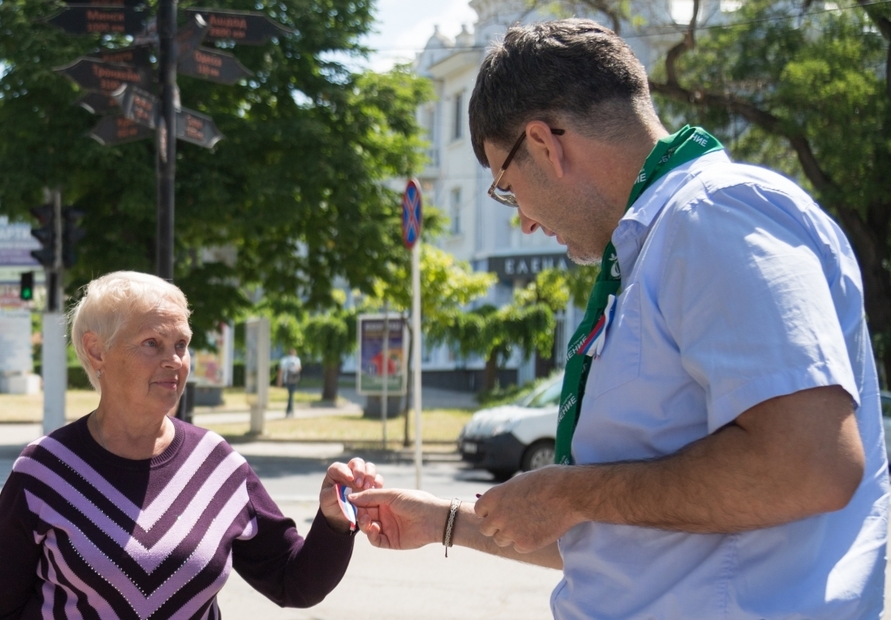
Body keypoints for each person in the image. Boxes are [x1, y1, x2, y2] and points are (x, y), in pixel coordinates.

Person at [350, 18, 889, 620]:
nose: (522, 220)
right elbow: (633, 529)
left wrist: (569, 491)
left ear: (544, 144)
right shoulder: (659, 244)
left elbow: (810, 466)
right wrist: (444, 521)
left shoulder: (714, 214)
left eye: (505, 185)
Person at [0, 271, 381, 619]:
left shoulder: (218, 464)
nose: (175, 361)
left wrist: (333, 521)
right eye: (152, 343)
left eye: (181, 345)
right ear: (98, 351)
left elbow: (294, 583)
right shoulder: (43, 471)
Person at [280, 348, 302, 417]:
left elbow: (281, 370)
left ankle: (289, 410)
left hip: (287, 379)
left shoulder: (285, 360)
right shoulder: (297, 359)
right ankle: (290, 410)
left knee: (290, 395)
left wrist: (279, 381)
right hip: (295, 379)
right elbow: (299, 369)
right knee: (291, 395)